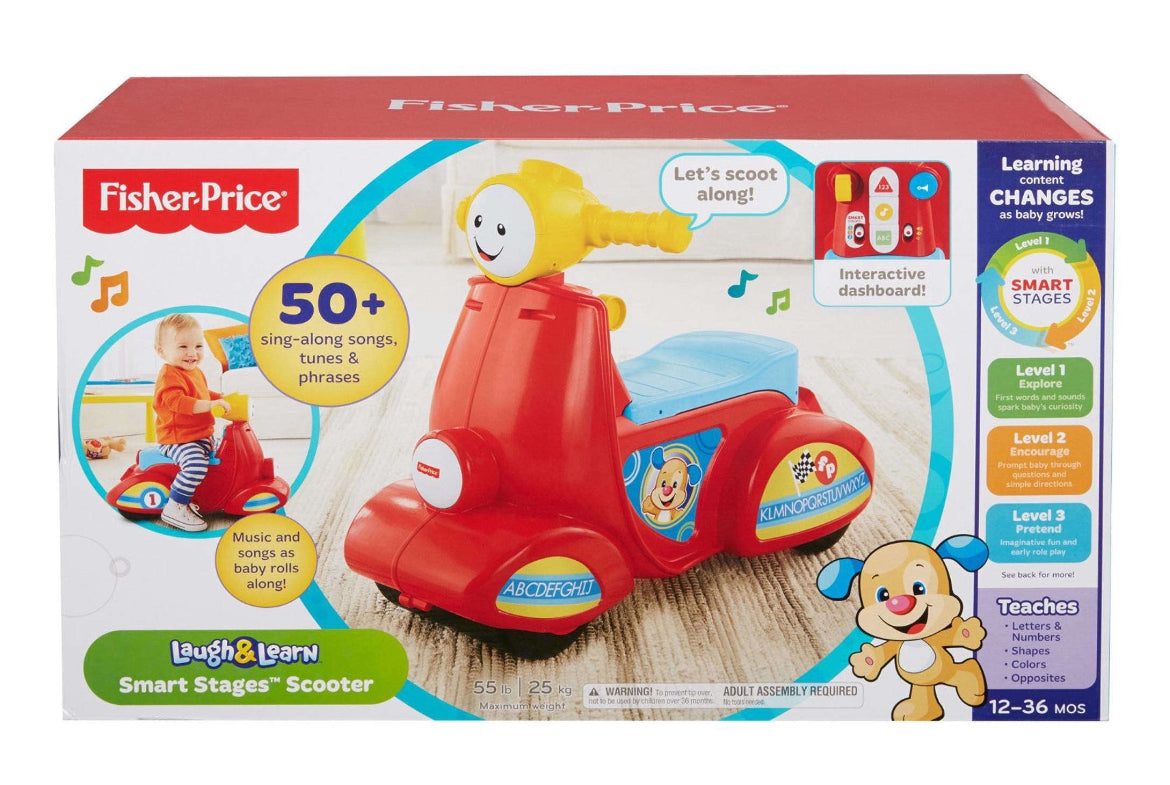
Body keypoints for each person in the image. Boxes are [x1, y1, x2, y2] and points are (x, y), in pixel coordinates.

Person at [152, 314, 229, 531]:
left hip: (199, 435)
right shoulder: (169, 375)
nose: (192, 353)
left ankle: (208, 494)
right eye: (183, 346)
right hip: (178, 439)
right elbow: (179, 402)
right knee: (196, 465)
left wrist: (221, 398)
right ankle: (175, 505)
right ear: (161, 351)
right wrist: (210, 405)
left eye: (198, 346)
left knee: (225, 451)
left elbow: (202, 394)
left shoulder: (195, 372)